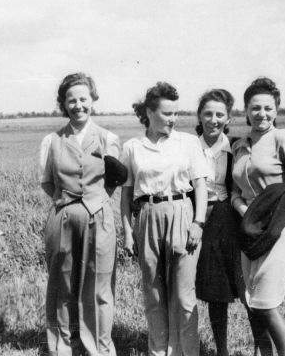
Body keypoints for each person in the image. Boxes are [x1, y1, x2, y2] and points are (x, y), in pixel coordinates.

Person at [120, 82, 209, 356]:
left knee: (183, 296)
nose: (173, 119)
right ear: (149, 112)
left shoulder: (188, 143)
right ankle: (159, 352)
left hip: (182, 213)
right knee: (154, 295)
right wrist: (126, 231)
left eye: (176, 113)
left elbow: (201, 186)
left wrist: (198, 223)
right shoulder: (133, 147)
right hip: (147, 216)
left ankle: (187, 352)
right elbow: (125, 195)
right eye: (167, 113)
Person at [231, 77, 285, 356]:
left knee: (266, 305)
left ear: (276, 111)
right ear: (246, 110)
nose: (262, 114)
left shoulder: (284, 138)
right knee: (253, 304)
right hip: (250, 231)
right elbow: (235, 192)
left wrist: (271, 213)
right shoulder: (239, 146)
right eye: (255, 108)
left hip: (280, 229)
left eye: (268, 108)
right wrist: (246, 212)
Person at [39, 72, 121, 356]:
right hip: (62, 218)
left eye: (83, 99)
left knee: (98, 287)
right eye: (71, 100)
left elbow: (113, 179)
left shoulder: (108, 138)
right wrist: (68, 204)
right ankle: (61, 347)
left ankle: (99, 348)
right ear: (64, 103)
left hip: (99, 217)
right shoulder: (52, 140)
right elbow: (47, 181)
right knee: (61, 285)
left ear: (93, 100)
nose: (78, 105)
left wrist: (95, 202)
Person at [193, 89, 246, 356]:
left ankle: (246, 349)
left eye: (219, 114)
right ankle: (209, 348)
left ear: (228, 118)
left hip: (227, 219)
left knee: (232, 287)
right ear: (199, 116)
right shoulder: (188, 146)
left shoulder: (236, 147)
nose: (213, 120)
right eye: (208, 114)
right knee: (202, 288)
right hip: (195, 218)